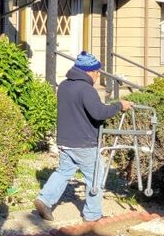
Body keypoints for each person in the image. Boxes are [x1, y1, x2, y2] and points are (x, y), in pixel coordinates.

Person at [34, 51, 132, 223]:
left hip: (65, 141)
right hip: (84, 142)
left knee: (64, 172)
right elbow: (99, 113)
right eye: (96, 72)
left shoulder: (64, 86)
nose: (97, 75)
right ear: (89, 71)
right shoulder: (86, 89)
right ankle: (92, 214)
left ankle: (44, 200)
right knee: (95, 176)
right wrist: (119, 105)